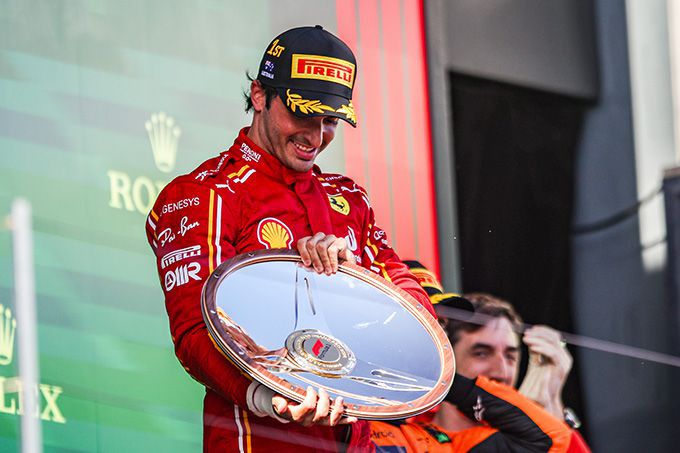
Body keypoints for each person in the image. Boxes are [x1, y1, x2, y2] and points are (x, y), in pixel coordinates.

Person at [145, 25, 434, 452]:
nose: (315, 137)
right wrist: (269, 398)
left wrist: (357, 280)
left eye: (330, 121)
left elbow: (419, 320)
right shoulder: (205, 194)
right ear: (260, 95)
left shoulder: (349, 198)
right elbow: (194, 333)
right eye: (302, 115)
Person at [370, 261, 590, 452]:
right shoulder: (408, 427)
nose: (501, 370)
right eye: (482, 353)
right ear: (450, 352)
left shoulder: (509, 438)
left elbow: (553, 438)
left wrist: (551, 405)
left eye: (510, 356)